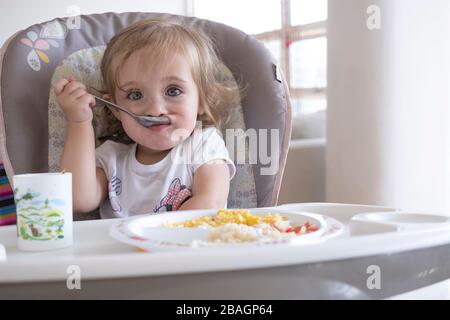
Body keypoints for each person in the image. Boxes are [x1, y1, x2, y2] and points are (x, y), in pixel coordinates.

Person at [52, 18, 239, 218]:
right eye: (135, 95)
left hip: (183, 246)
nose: (155, 109)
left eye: (173, 91)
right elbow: (78, 198)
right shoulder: (112, 158)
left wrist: (155, 234)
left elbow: (211, 202)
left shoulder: (203, 144)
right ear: (116, 109)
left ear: (203, 99)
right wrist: (79, 121)